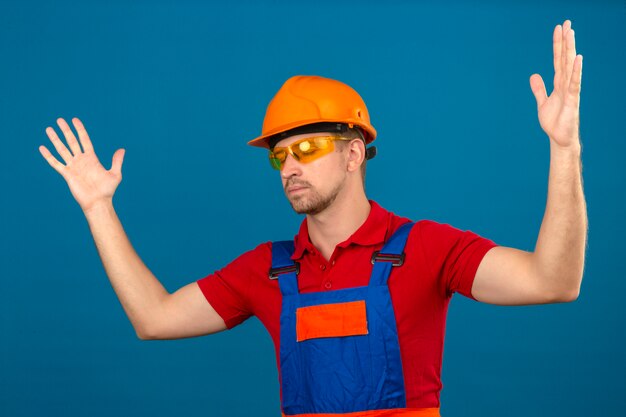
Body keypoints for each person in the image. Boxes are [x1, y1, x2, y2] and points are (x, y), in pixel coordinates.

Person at [39, 19, 586, 417]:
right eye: (280, 154)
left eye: (308, 148)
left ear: (353, 155)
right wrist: (98, 208)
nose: (288, 166)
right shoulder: (267, 271)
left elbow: (553, 281)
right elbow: (153, 319)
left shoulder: (426, 249)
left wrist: (565, 149)